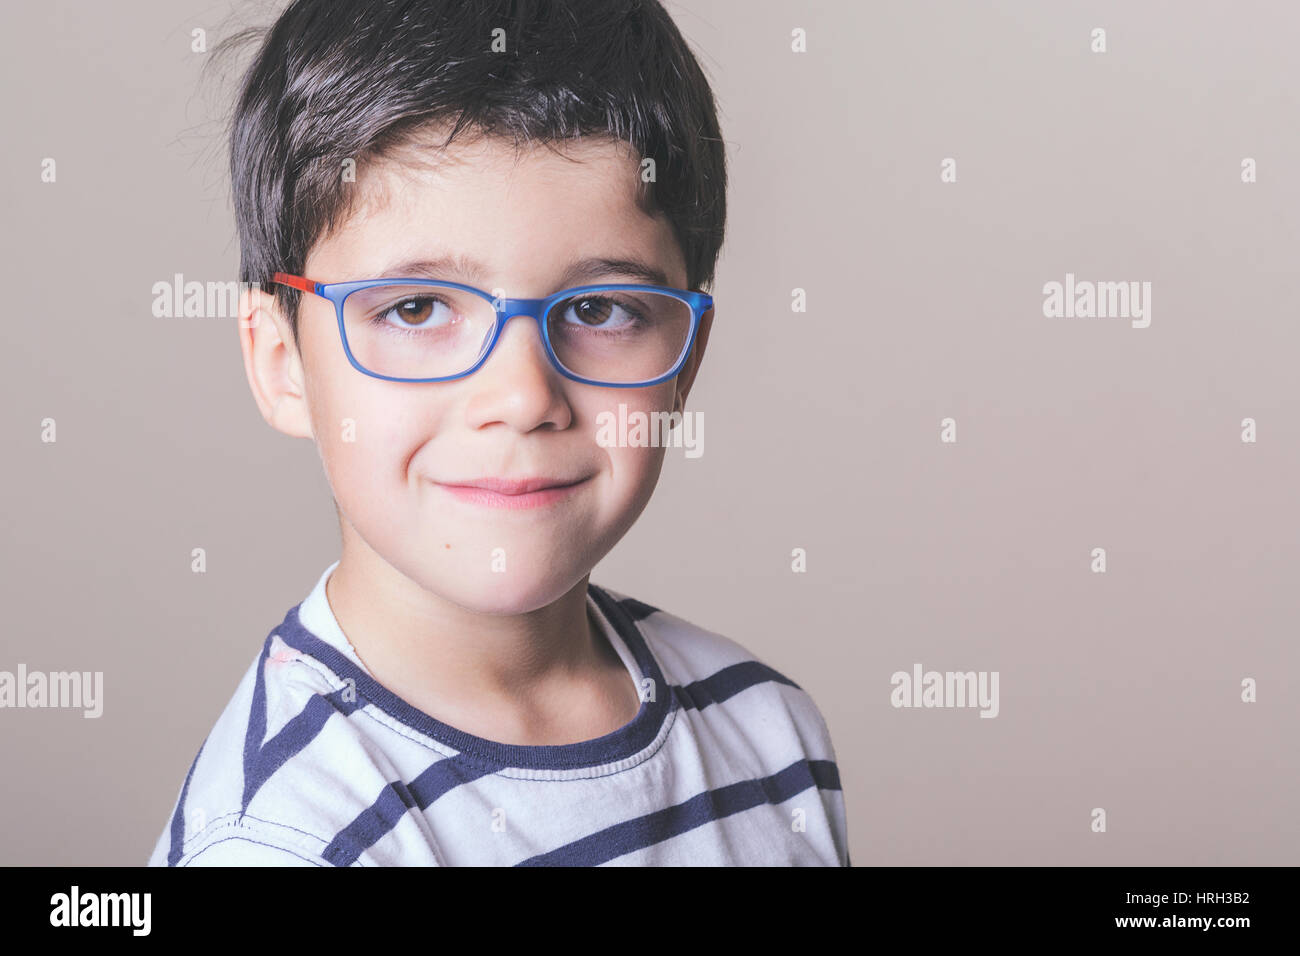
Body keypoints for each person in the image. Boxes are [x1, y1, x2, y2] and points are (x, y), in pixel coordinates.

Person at [148, 0, 849, 866]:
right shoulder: (284, 841)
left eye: (600, 308)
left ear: (686, 358)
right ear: (282, 363)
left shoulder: (770, 736)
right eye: (416, 308)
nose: (522, 397)